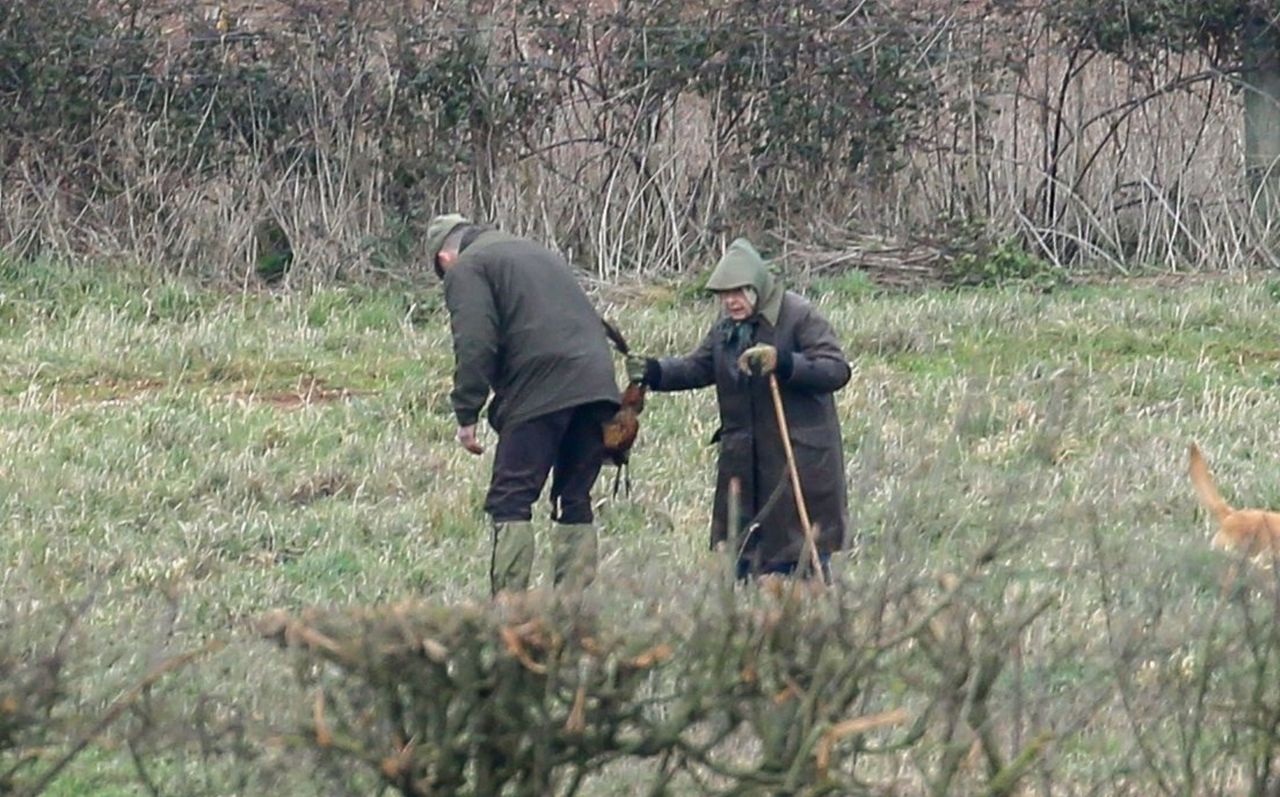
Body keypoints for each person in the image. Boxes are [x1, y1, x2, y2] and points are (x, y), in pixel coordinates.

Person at [627, 238, 851, 580]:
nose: (730, 301)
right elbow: (698, 368)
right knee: (747, 552)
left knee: (798, 553)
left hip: (796, 458)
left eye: (738, 292)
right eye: (723, 294)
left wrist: (785, 363)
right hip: (744, 462)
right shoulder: (725, 330)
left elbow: (835, 369)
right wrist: (655, 372)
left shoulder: (798, 315)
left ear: (757, 287)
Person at [426, 213, 621, 595]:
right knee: (573, 498)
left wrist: (467, 412)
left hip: (542, 388)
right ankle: (572, 612)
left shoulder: (467, 267)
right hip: (598, 384)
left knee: (511, 500)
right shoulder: (533, 251)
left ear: (444, 258)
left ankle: (511, 615)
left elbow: (475, 343)